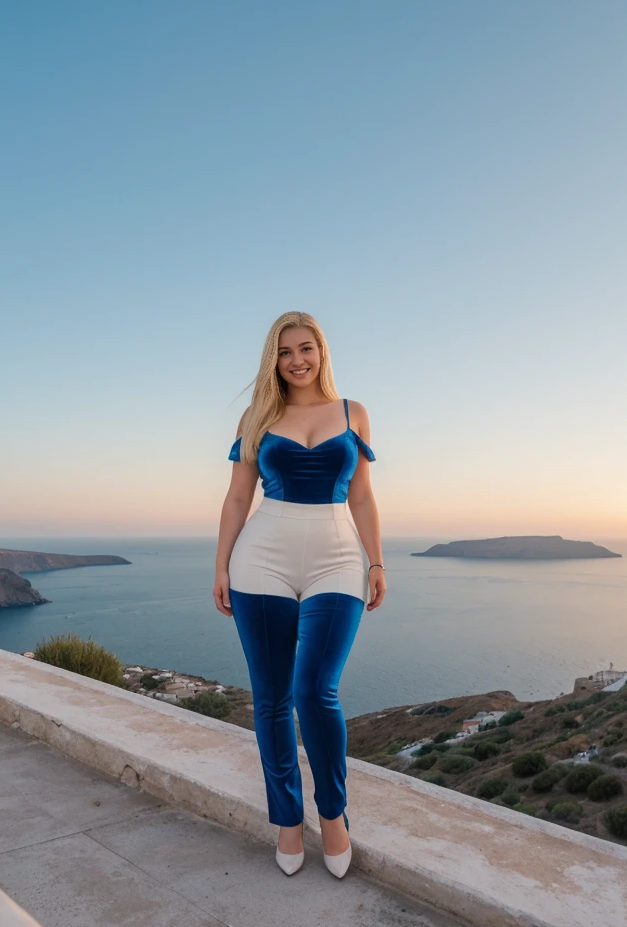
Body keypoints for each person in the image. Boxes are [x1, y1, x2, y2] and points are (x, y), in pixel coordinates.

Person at [213, 310, 386, 879]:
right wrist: (221, 566)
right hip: (261, 558)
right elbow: (238, 497)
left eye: (306, 348)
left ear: (322, 352)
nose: (297, 360)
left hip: (338, 556)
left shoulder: (352, 413)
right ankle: (288, 821)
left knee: (315, 691)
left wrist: (377, 559)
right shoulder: (257, 415)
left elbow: (361, 495)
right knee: (270, 699)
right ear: (274, 360)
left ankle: (331, 816)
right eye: (285, 352)